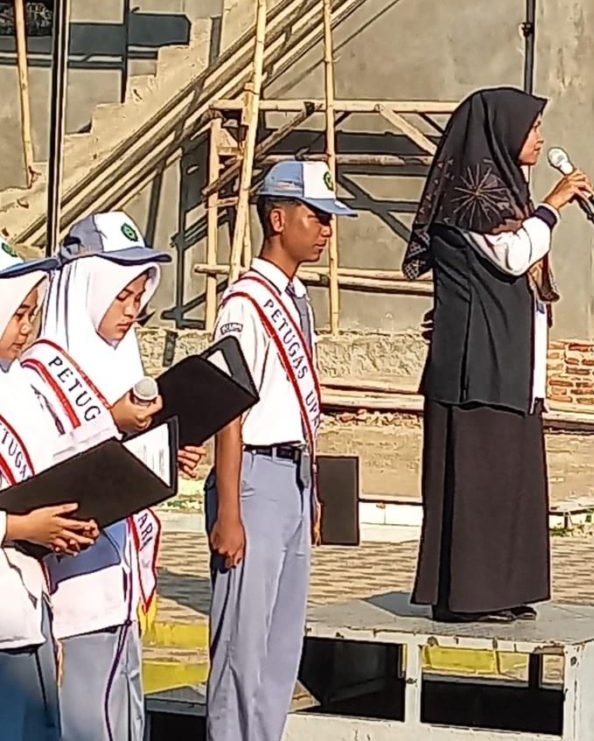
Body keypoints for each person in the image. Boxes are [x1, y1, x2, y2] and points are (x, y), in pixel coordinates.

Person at [402, 87, 593, 623]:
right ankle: (466, 597)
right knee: (477, 483)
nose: (540, 138)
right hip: (474, 370)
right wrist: (551, 208)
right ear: (501, 134)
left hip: (508, 366)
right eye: (532, 129)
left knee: (511, 482)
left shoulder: (506, 199)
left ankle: (505, 588)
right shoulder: (472, 198)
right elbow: (511, 255)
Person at [21, 211, 204, 741]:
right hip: (77, 593)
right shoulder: (39, 372)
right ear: (87, 288)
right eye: (122, 295)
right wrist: (112, 422)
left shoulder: (120, 363)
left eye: (138, 296)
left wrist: (166, 455)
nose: (132, 310)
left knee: (126, 724)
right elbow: (50, 467)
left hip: (119, 585)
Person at [205, 160, 355, 741]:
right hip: (253, 479)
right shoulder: (246, 302)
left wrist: (311, 485)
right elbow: (229, 407)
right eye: (316, 217)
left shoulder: (296, 299)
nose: (326, 230)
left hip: (290, 476)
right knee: (242, 648)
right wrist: (231, 511)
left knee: (278, 650)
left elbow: (297, 401)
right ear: (277, 217)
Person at [0, 241, 100, 741]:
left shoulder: (16, 386)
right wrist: (20, 527)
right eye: (17, 314)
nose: (26, 331)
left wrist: (61, 525)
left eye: (32, 315)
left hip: (27, 607)